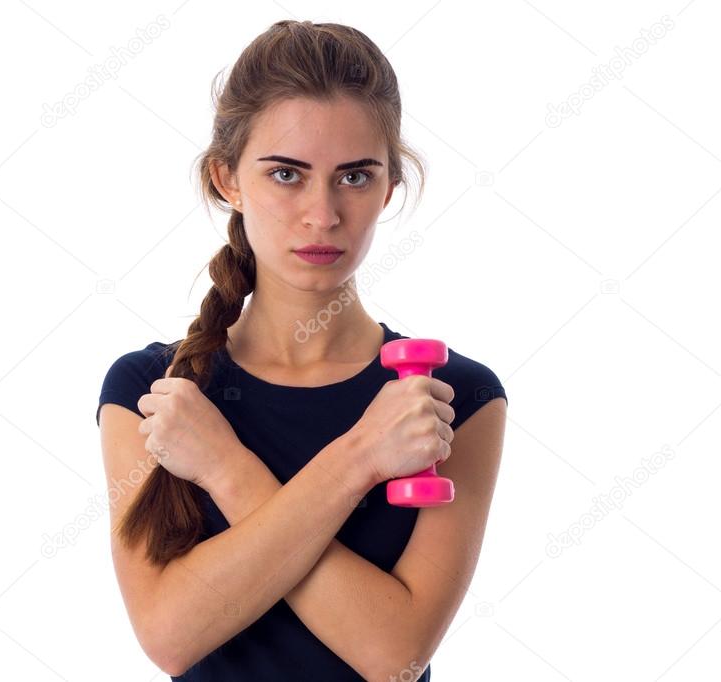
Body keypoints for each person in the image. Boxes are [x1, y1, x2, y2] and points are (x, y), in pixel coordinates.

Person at [96, 20, 508, 680]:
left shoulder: (447, 394)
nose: (321, 215)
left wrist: (227, 469)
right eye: (286, 174)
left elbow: (392, 654)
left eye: (353, 177)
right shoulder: (155, 390)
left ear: (389, 187)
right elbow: (170, 635)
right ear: (226, 179)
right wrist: (360, 458)